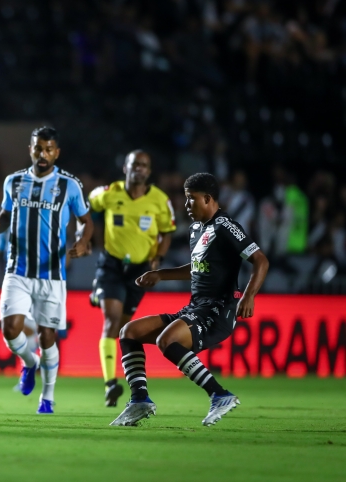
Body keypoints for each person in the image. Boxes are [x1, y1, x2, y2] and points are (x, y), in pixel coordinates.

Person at [111, 173, 269, 427]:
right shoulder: (197, 229)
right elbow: (197, 267)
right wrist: (160, 275)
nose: (186, 206)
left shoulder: (226, 226)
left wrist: (248, 296)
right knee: (129, 331)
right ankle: (140, 400)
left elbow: (261, 260)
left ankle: (220, 395)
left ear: (207, 199)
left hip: (218, 311)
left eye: (190, 199)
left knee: (167, 340)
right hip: (195, 308)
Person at [0, 126, 93, 414]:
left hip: (52, 274)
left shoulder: (69, 185)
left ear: (57, 152)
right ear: (30, 149)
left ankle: (48, 397)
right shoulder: (14, 181)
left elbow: (86, 220)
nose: (42, 154)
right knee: (10, 330)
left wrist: (82, 241)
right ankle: (29, 363)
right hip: (17, 269)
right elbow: (6, 214)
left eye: (48, 149)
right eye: (38, 148)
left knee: (47, 338)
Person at [87, 150, 175, 407]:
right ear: (125, 168)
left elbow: (167, 232)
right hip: (112, 264)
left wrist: (158, 258)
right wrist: (88, 236)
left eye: (144, 165)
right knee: (112, 321)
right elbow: (88, 208)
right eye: (134, 164)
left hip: (140, 271)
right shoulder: (108, 193)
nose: (139, 168)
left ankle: (97, 292)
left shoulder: (160, 200)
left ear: (149, 171)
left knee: (123, 328)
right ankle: (110, 384)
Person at [0, 231, 39, 361]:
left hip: (35, 280)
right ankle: (32, 359)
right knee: (14, 324)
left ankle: (31, 361)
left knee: (29, 324)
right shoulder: (9, 228)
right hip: (14, 282)